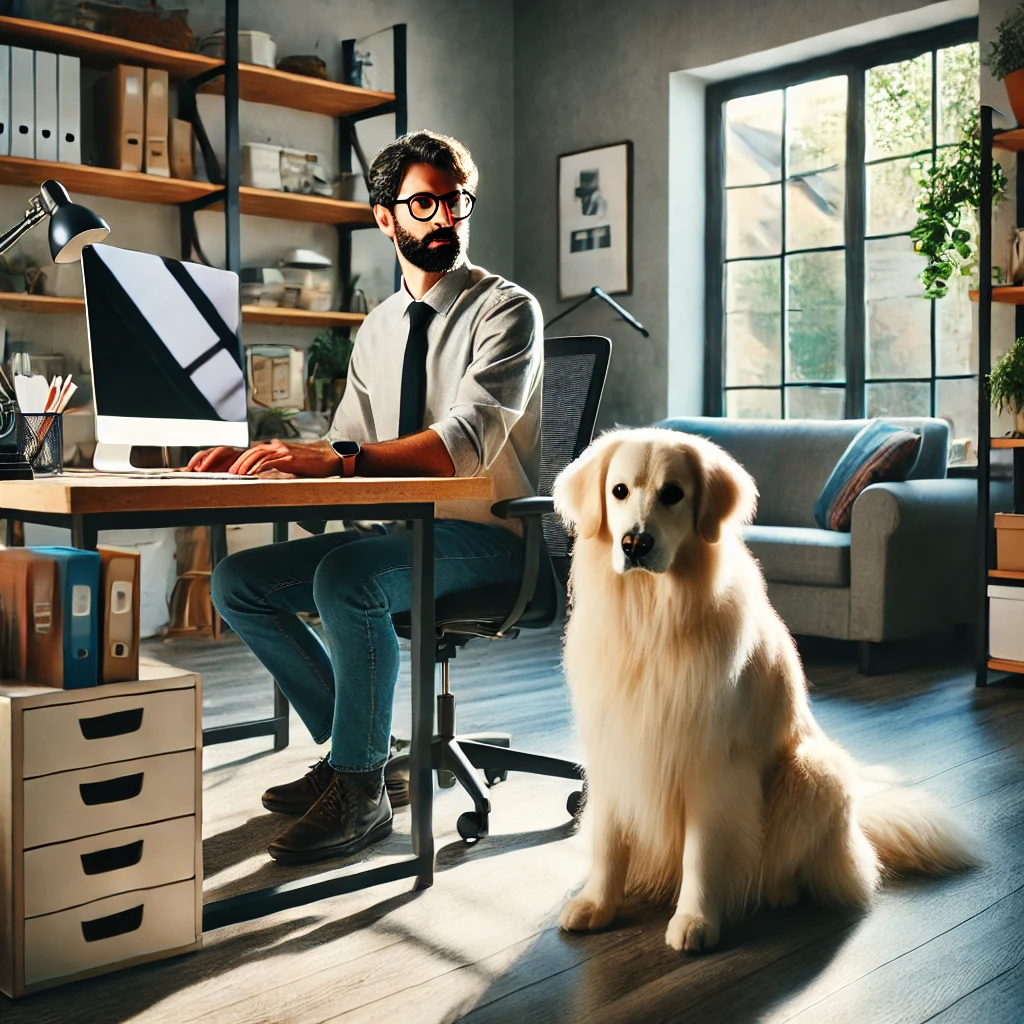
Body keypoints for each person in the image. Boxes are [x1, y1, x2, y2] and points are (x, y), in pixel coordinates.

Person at [188, 130, 543, 865]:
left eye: (457, 201)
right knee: (239, 581)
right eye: (425, 203)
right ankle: (364, 748)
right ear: (386, 219)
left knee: (345, 579)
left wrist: (335, 458)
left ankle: (359, 788)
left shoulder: (507, 312)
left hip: (491, 539)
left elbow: (461, 445)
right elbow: (346, 447)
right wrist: (261, 463)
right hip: (401, 534)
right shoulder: (378, 328)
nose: (446, 217)